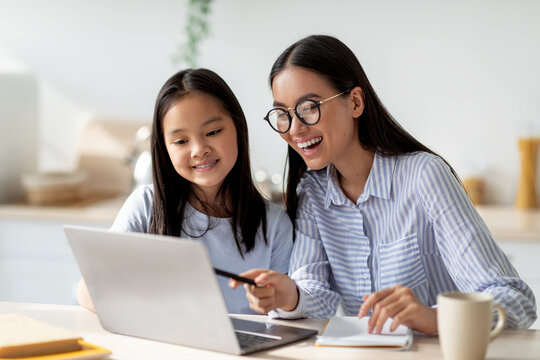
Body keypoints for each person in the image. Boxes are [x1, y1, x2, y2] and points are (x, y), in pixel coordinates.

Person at [230, 35, 537, 334]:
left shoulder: (424, 176)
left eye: (309, 106)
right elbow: (317, 295)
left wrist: (434, 318)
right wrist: (291, 296)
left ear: (355, 102)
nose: (295, 128)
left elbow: (515, 300)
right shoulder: (313, 192)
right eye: (282, 113)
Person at [77, 68, 293, 314]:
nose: (199, 149)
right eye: (181, 141)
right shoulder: (146, 205)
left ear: (238, 129)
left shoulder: (275, 225)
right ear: (165, 148)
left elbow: (287, 316)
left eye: (213, 132)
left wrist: (275, 300)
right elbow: (87, 290)